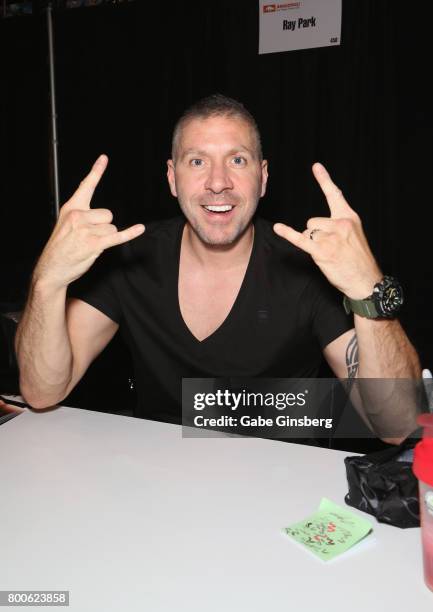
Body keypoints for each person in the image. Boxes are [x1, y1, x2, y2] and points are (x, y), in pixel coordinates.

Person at [15, 94, 421, 442]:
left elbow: (398, 426)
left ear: (262, 178)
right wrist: (48, 280)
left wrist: (368, 286)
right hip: (158, 485)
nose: (217, 182)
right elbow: (42, 391)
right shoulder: (132, 257)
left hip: (282, 489)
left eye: (238, 160)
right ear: (172, 178)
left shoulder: (309, 267)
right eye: (196, 162)